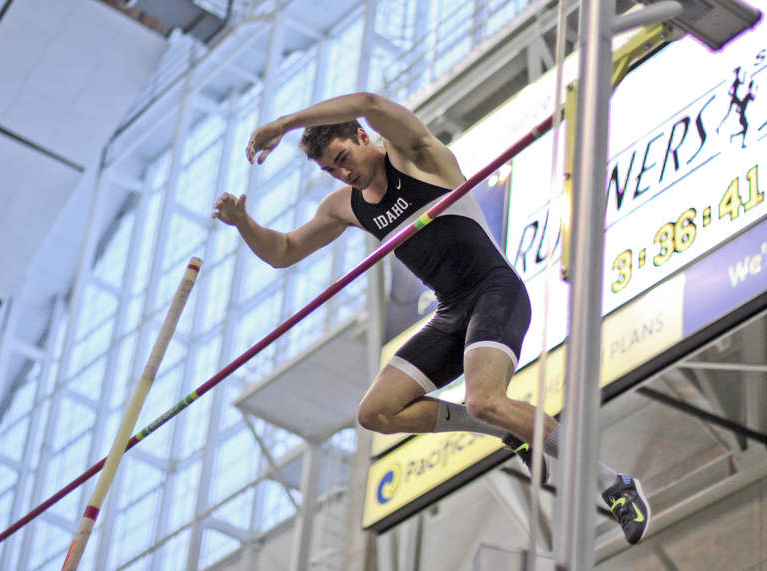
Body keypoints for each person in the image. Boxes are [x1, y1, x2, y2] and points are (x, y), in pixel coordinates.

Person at [212, 92, 651, 545]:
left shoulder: (413, 154)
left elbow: (369, 102)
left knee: (485, 398)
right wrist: (244, 222)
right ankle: (503, 429)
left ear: (362, 135)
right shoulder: (345, 205)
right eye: (331, 171)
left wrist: (284, 124)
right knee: (375, 413)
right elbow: (284, 251)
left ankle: (613, 484)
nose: (343, 174)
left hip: (494, 292)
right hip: (451, 313)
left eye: (343, 158)